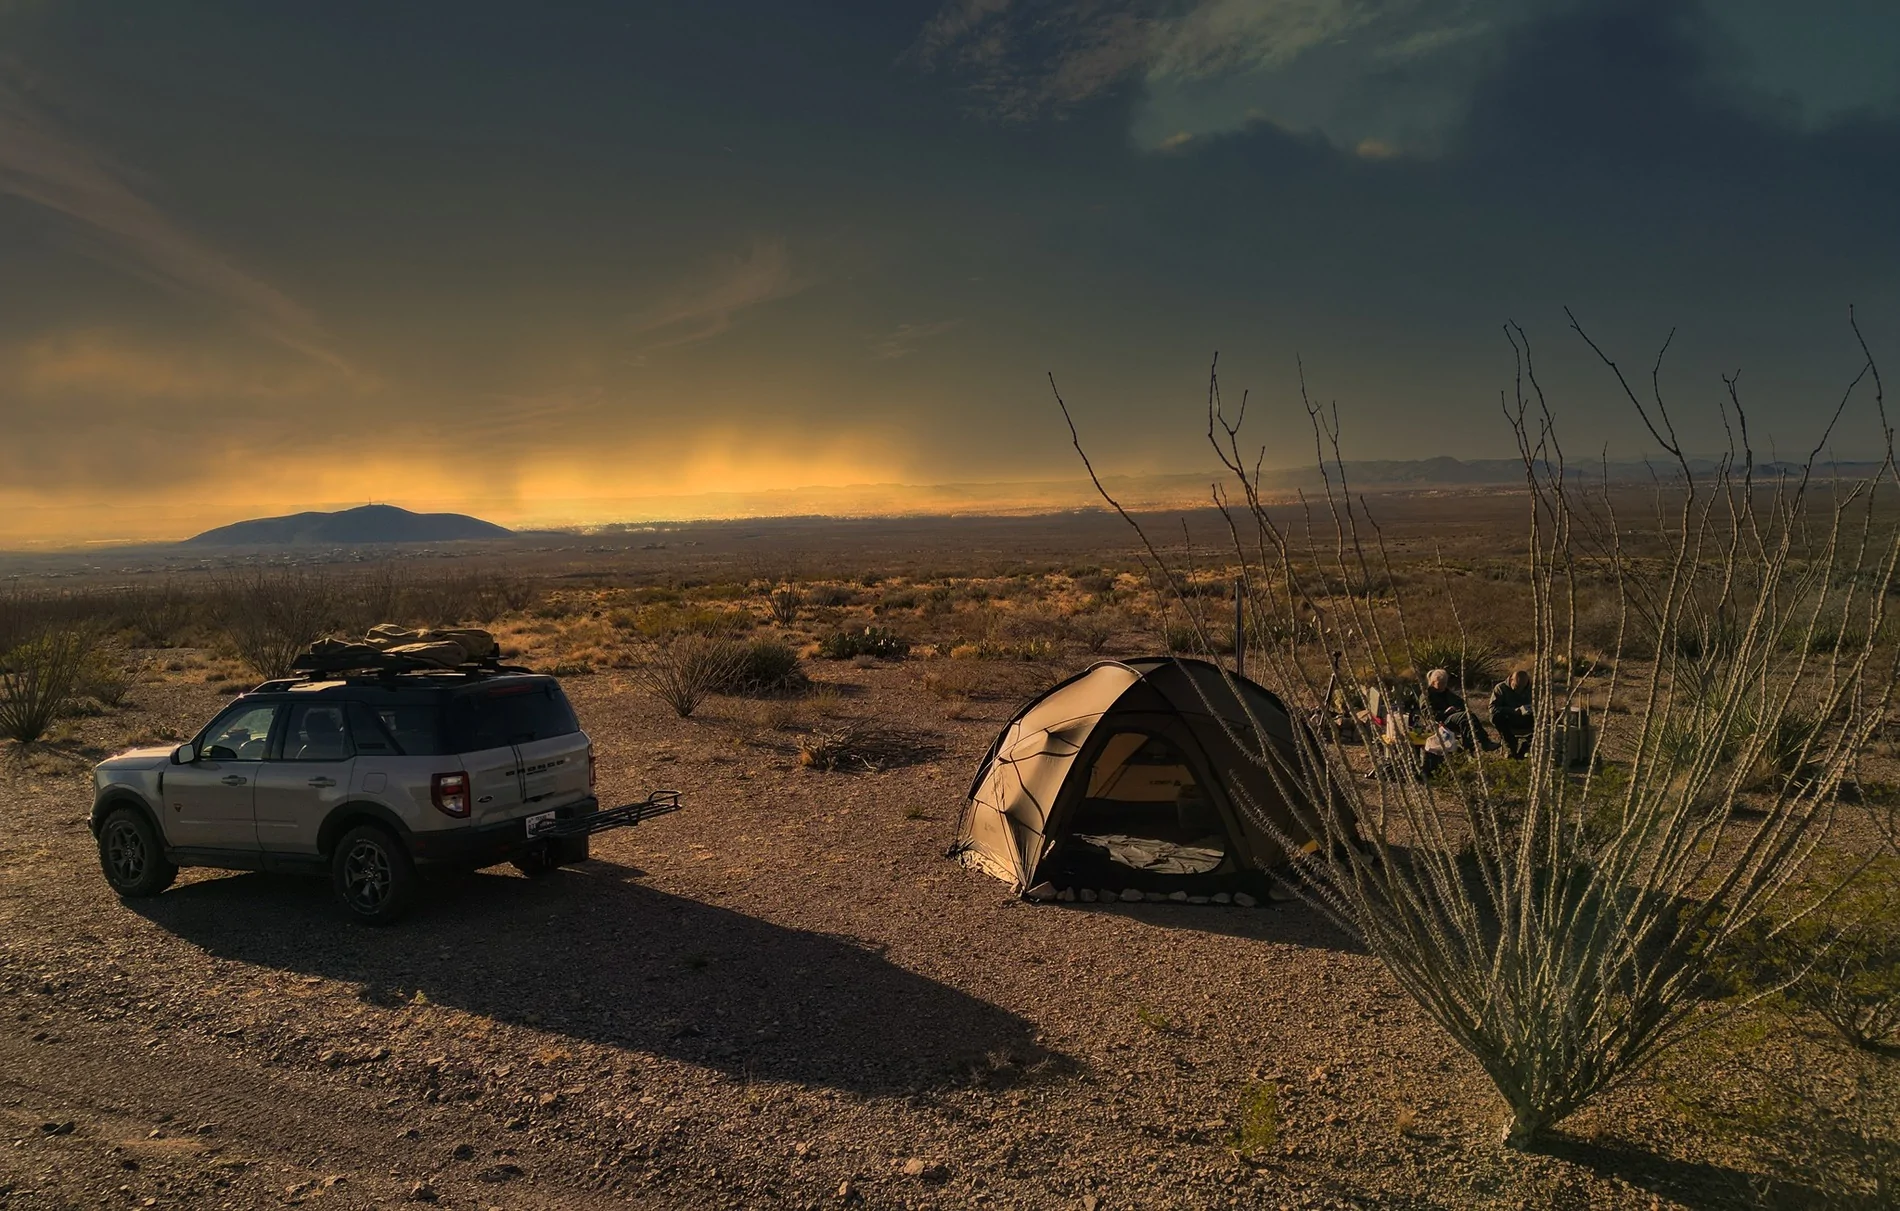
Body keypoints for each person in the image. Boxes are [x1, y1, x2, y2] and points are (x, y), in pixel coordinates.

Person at [1424, 668, 1498, 752]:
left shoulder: (1447, 693)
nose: (1443, 685)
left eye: (1445, 683)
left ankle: (1476, 746)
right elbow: (1428, 714)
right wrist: (1445, 712)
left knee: (1468, 717)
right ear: (1433, 683)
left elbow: (1461, 703)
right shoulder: (1427, 695)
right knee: (1464, 717)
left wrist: (1456, 708)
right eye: (1440, 683)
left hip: (1453, 718)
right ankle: (1482, 744)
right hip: (1441, 721)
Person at [1489, 670, 1535, 759]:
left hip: (1526, 719)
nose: (1520, 690)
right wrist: (1513, 711)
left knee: (1546, 720)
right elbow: (1492, 708)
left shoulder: (1532, 689)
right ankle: (1511, 748)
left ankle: (1526, 746)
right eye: (1517, 687)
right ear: (1511, 680)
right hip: (1508, 720)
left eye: (1522, 688)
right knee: (1496, 717)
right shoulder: (1501, 688)